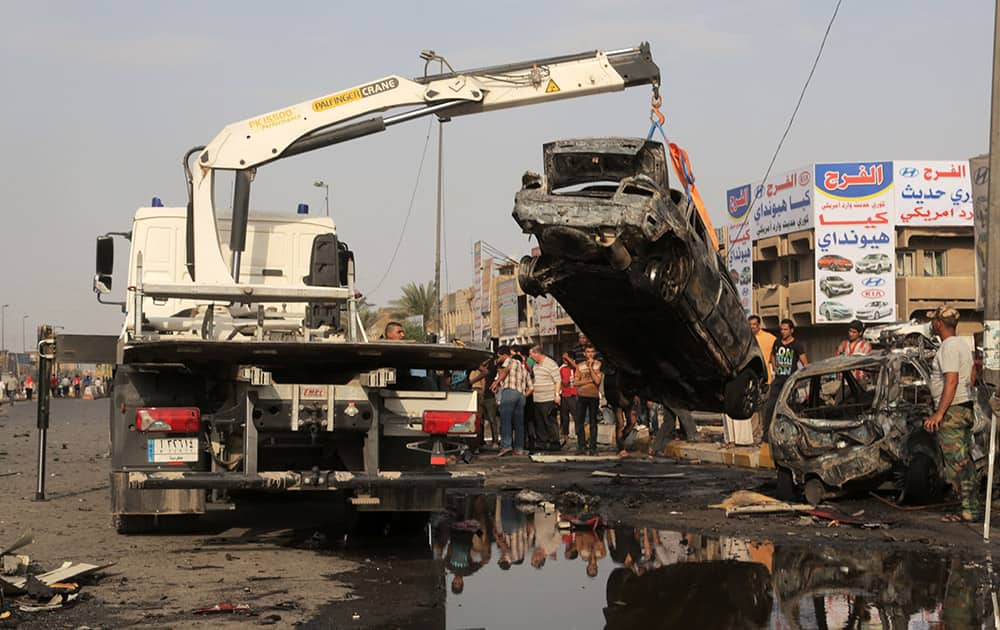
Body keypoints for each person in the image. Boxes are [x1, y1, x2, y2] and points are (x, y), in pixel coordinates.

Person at [922, 306, 979, 523]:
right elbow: (972, 374)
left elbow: (952, 380)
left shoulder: (948, 347)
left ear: (938, 323)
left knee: (957, 463)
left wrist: (939, 413)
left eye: (933, 320)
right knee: (964, 460)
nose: (932, 324)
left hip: (953, 411)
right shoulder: (961, 345)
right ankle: (970, 508)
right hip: (962, 407)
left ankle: (969, 510)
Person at [762, 319, 808, 443]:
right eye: (781, 329)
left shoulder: (797, 345)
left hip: (790, 382)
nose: (783, 331)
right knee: (771, 406)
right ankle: (766, 435)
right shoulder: (777, 342)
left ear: (792, 330)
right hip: (778, 380)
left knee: (790, 407)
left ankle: (793, 435)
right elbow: (772, 354)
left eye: (786, 329)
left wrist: (799, 378)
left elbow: (805, 363)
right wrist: (774, 365)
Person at [491, 345, 530, 457]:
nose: (498, 359)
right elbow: (531, 387)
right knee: (519, 423)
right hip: (521, 395)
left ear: (504, 355)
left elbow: (505, 371)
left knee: (506, 421)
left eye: (499, 357)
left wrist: (496, 382)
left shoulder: (509, 361)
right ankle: (519, 448)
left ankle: (506, 446)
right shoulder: (522, 367)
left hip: (510, 392)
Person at [528, 346, 562, 451]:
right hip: (537, 398)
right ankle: (542, 442)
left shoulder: (551, 364)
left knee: (550, 421)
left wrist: (557, 395)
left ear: (537, 353)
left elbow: (558, 380)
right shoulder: (535, 365)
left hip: (548, 398)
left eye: (531, 354)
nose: (530, 357)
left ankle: (554, 442)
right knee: (540, 422)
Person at [574, 344, 603, 455]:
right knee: (580, 422)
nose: (590, 354)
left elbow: (597, 381)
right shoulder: (579, 366)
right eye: (588, 352)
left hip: (593, 396)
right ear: (584, 353)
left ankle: (593, 448)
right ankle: (581, 446)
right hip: (581, 395)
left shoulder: (598, 365)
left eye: (592, 352)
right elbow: (576, 382)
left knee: (593, 422)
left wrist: (590, 367)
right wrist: (588, 381)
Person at [469, 358, 500, 448]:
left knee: (492, 419)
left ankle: (495, 441)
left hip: (488, 396)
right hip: (476, 395)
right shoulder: (473, 368)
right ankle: (480, 441)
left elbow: (484, 382)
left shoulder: (492, 367)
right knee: (479, 420)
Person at [559, 353, 577, 446]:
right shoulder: (562, 369)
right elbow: (563, 382)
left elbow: (576, 367)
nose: (564, 360)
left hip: (574, 394)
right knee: (564, 418)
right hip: (565, 395)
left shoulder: (575, 367)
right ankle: (566, 437)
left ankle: (580, 435)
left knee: (576, 416)